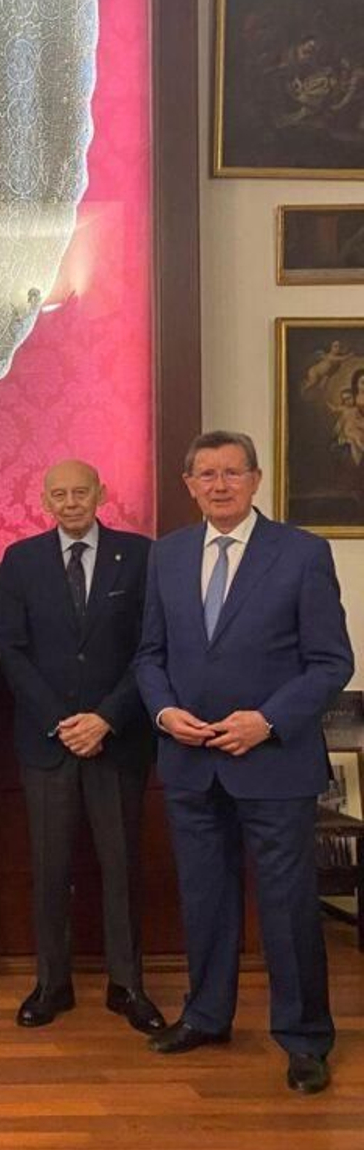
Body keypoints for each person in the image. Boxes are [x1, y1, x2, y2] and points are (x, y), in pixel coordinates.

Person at [134, 431, 351, 1095]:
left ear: (256, 480)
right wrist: (165, 713)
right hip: (190, 760)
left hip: (274, 762)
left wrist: (268, 721)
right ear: (188, 484)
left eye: (232, 472)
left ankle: (305, 1038)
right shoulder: (167, 556)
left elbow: (331, 663)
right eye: (206, 474)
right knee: (205, 899)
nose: (219, 484)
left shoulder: (302, 553)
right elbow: (149, 655)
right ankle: (206, 1016)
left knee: (286, 908)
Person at [0, 461, 164, 1034]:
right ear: (45, 500)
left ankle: (128, 985)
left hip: (118, 739)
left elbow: (151, 649)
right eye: (59, 494)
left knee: (121, 867)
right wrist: (63, 721)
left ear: (101, 494)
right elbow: (11, 650)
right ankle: (52, 983)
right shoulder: (21, 561)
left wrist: (106, 719)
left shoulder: (140, 556)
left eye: (80, 492)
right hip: (48, 740)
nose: (70, 502)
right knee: (49, 868)